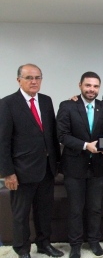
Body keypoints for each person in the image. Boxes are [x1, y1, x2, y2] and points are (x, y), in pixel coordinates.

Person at [0, 64, 63, 258]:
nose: (34, 81)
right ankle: (22, 248)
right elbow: (2, 141)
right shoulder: (7, 103)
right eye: (29, 78)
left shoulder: (46, 101)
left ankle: (44, 244)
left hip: (46, 169)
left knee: (44, 212)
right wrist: (7, 173)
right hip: (21, 171)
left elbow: (51, 134)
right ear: (19, 80)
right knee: (21, 214)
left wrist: (57, 164)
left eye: (37, 77)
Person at [57, 72, 103, 258]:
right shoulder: (67, 106)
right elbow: (62, 136)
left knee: (95, 208)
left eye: (95, 86)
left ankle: (94, 241)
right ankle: (76, 244)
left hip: (97, 168)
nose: (91, 90)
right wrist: (86, 146)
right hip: (73, 167)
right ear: (80, 85)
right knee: (75, 209)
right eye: (88, 85)